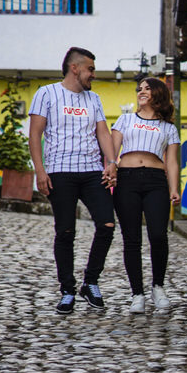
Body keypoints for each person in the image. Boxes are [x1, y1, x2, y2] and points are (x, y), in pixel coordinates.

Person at [28, 46, 119, 313]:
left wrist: (112, 163)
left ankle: (90, 282)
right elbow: (35, 135)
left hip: (92, 172)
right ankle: (67, 290)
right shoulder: (46, 93)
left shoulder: (94, 99)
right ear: (75, 68)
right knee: (65, 231)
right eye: (90, 69)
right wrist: (40, 171)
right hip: (59, 172)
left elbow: (103, 133)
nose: (93, 74)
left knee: (107, 224)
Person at [109, 77, 181, 314]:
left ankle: (158, 287)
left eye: (147, 89)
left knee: (158, 235)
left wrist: (174, 188)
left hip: (156, 182)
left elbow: (171, 161)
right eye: (139, 88)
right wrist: (110, 171)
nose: (141, 92)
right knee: (131, 239)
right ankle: (137, 293)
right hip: (126, 179)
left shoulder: (168, 128)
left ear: (158, 94)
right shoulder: (125, 119)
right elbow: (112, 153)